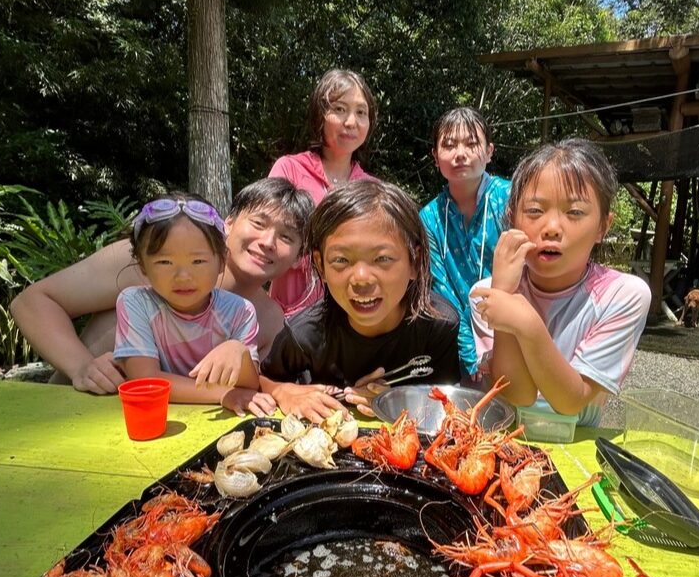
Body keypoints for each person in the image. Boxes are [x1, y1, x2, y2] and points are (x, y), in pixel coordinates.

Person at [10, 178, 313, 415]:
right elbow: (34, 301)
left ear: (299, 255)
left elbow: (255, 384)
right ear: (228, 223)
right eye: (259, 223)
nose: (268, 242)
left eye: (286, 237)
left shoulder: (268, 319)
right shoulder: (145, 264)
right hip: (79, 409)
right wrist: (80, 366)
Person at [470, 139, 651, 427]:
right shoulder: (487, 292)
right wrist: (504, 293)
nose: (552, 228)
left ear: (603, 226)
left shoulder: (623, 295)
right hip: (504, 442)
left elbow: (571, 401)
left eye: (575, 212)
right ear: (511, 218)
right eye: (534, 211)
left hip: (577, 447)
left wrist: (526, 323)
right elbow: (516, 394)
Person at [261, 179, 460, 422]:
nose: (362, 279)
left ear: (415, 262)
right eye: (341, 260)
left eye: (383, 259)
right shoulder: (304, 335)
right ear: (321, 265)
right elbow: (263, 378)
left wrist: (395, 401)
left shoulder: (438, 326)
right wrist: (283, 391)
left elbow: (447, 406)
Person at [113, 194, 261, 414]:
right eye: (165, 262)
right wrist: (223, 394)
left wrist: (239, 352)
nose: (183, 276)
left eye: (198, 261)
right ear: (142, 265)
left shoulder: (240, 311)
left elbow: (250, 385)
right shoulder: (136, 303)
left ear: (221, 261)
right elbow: (145, 380)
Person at [268, 69, 379, 316]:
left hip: (350, 322)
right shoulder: (289, 169)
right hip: (289, 321)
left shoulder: (372, 189)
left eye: (361, 112)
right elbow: (272, 238)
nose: (351, 121)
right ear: (320, 115)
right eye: (339, 109)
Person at [420, 107, 510, 378]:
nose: (460, 153)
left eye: (472, 144)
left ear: (489, 151)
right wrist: (471, 357)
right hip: (462, 343)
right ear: (435, 157)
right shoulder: (429, 217)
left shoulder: (511, 199)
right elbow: (442, 290)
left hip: (514, 330)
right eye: (449, 145)